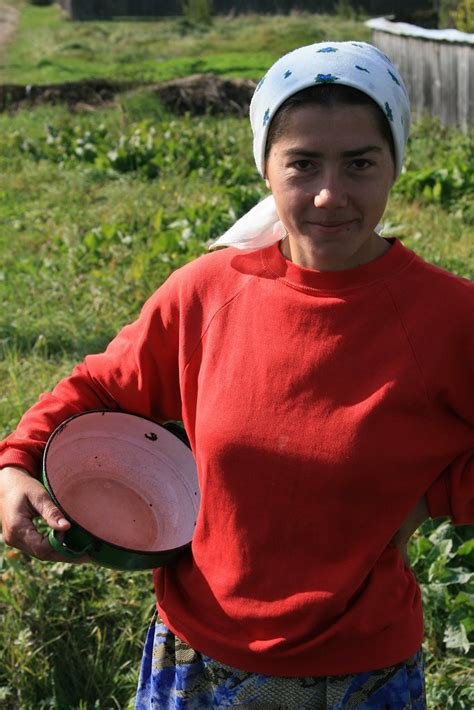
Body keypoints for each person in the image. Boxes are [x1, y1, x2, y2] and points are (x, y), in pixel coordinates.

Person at [0, 40, 472, 709]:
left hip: (359, 673)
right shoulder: (205, 294)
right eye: (303, 164)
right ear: (267, 168)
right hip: (194, 658)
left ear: (396, 163)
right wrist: (16, 462)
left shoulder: (447, 318)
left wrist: (439, 494)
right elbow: (103, 386)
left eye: (360, 163)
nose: (330, 194)